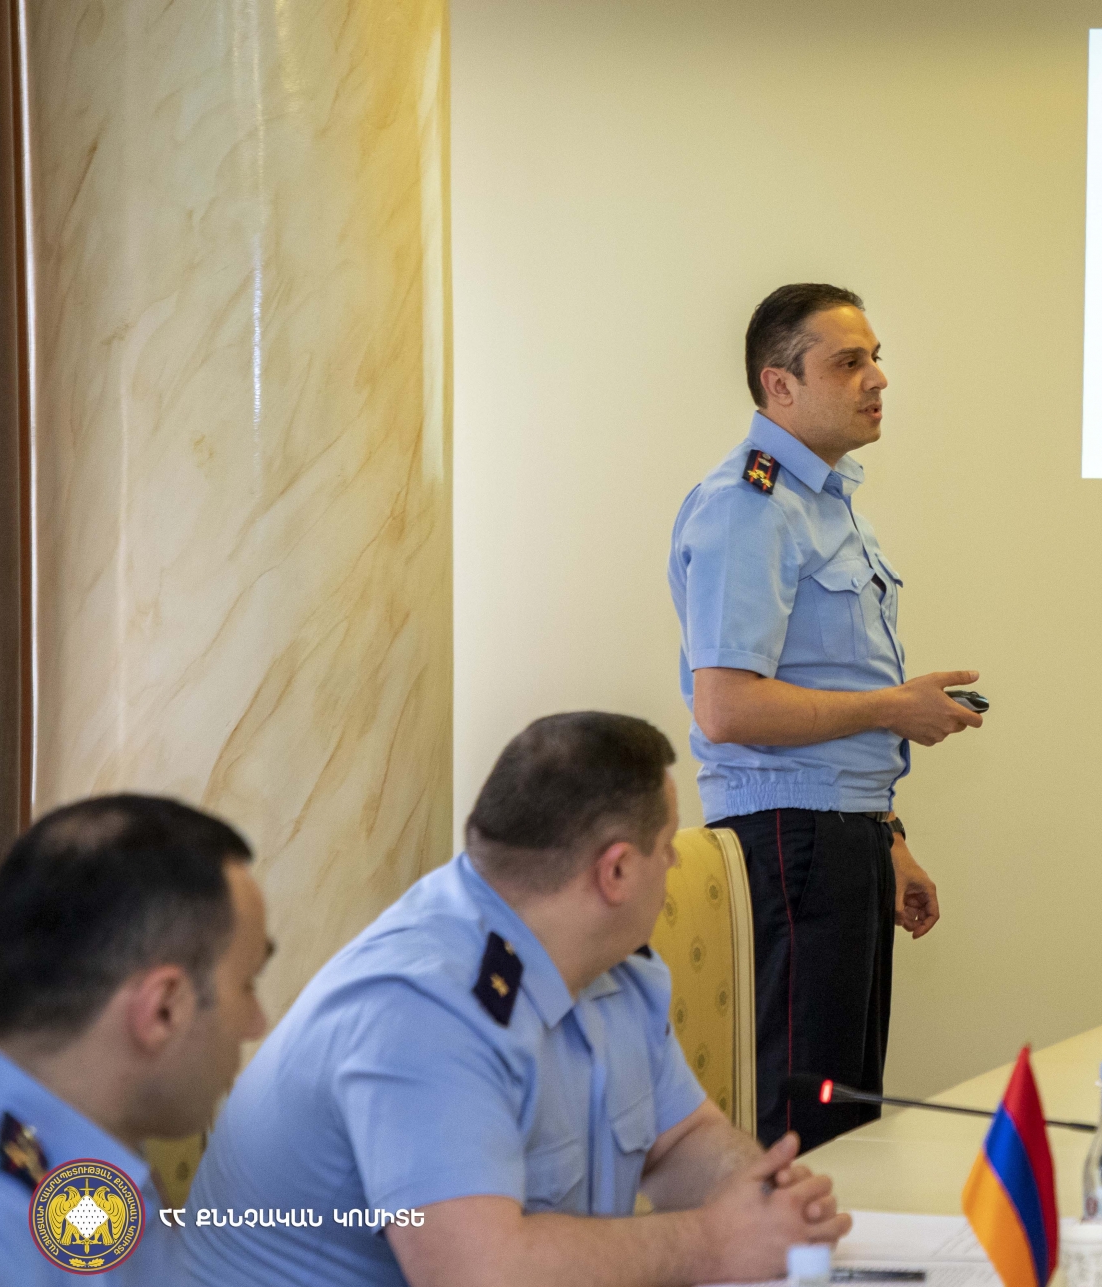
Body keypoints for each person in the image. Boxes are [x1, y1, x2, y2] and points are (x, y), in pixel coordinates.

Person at [186, 711, 849, 1287]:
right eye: (667, 845)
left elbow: (679, 1141)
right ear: (617, 870)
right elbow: (480, 1273)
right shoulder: (422, 1008)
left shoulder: (615, 969)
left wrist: (759, 1191)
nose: (674, 866)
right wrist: (712, 1240)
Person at [668, 282, 983, 1150]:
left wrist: (887, 837)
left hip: (839, 836)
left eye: (876, 358)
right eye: (848, 362)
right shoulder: (749, 505)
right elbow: (728, 705)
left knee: (848, 1113)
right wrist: (897, 707)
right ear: (780, 385)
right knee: (807, 1122)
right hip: (789, 842)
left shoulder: (826, 504)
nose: (877, 378)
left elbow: (819, 690)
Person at [0, 795, 271, 1286]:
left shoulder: (93, 1163)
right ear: (163, 1009)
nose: (257, 1024)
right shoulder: (5, 1241)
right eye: (246, 985)